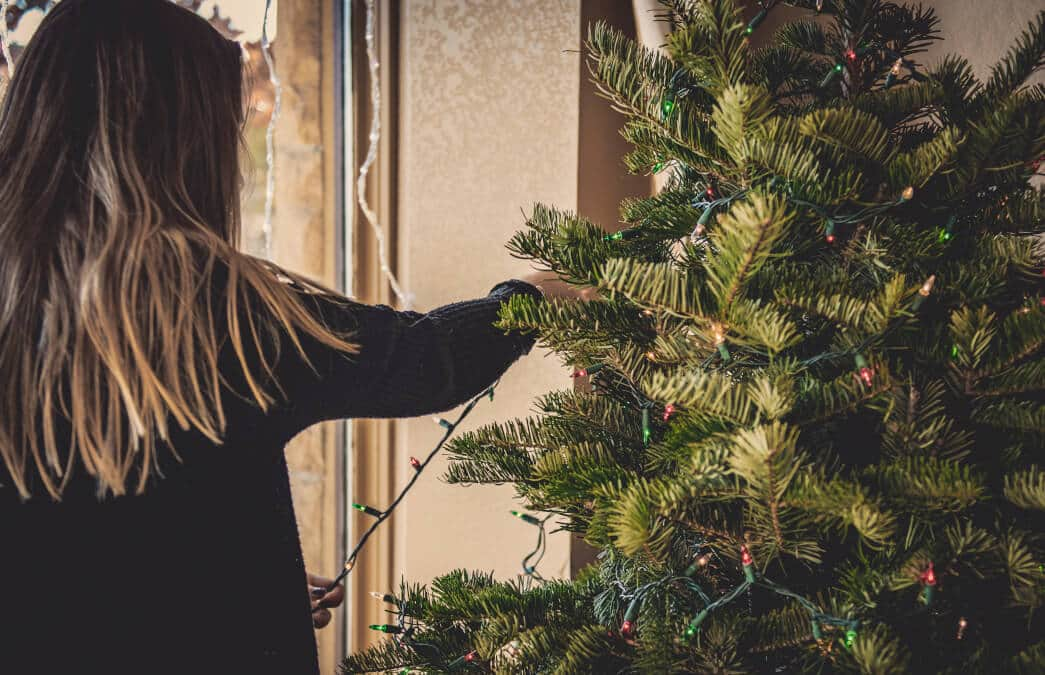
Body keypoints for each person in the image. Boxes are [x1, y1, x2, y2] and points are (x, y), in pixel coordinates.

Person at [0, 1, 554, 673]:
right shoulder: (216, 308)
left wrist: (230, 581)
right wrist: (534, 296)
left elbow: (82, 547)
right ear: (182, 138)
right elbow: (425, 361)